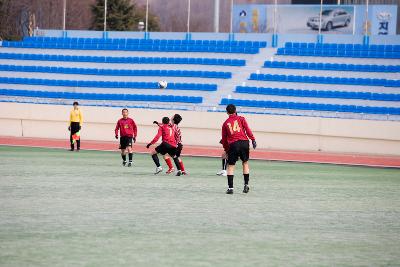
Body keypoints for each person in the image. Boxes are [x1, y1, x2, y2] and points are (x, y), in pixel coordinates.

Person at [221, 104, 257, 194]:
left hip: (234, 144)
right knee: (245, 163)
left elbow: (224, 139)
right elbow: (248, 130)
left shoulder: (225, 123)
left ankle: (230, 188)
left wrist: (226, 149)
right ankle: (246, 185)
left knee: (231, 166)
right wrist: (253, 139)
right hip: (244, 142)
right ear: (235, 110)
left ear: (227, 112)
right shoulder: (241, 119)